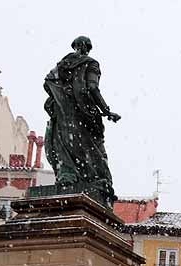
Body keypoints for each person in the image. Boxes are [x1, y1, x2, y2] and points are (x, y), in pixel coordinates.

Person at [42, 36, 121, 209]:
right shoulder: (91, 64)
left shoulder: (62, 65)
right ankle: (92, 179)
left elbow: (47, 83)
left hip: (63, 111)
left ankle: (68, 175)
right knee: (92, 149)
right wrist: (107, 111)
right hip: (84, 113)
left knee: (64, 143)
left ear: (75, 46)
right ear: (88, 48)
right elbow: (92, 87)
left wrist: (63, 96)